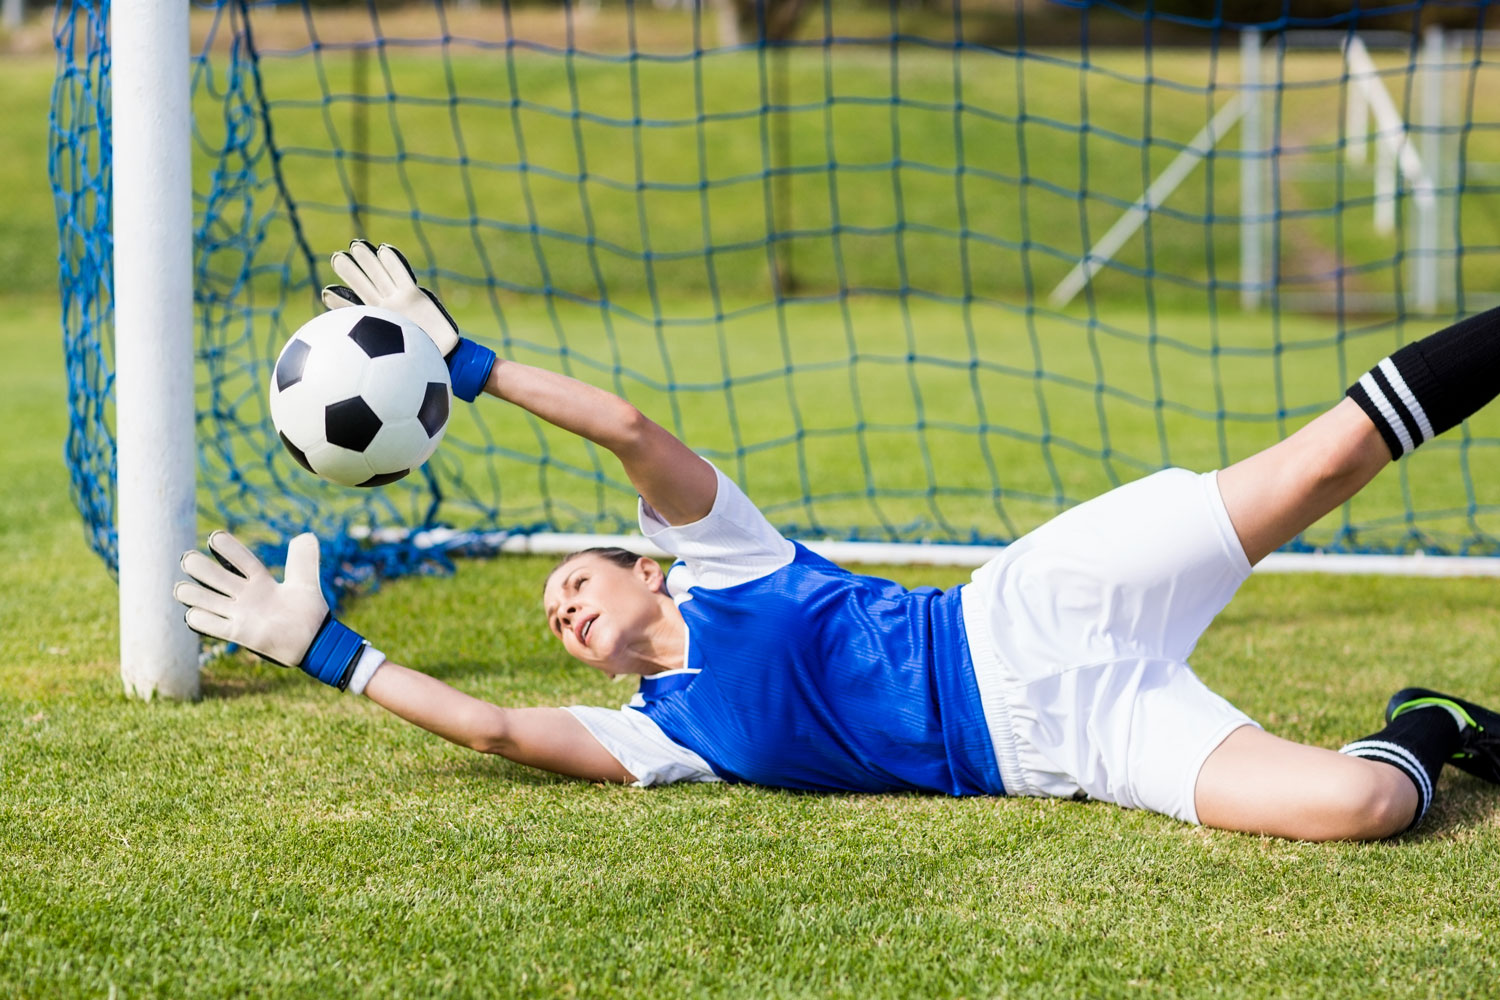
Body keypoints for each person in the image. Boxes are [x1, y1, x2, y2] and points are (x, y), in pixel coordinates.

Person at [174, 240, 1500, 842]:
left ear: (645, 564)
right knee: (1364, 805)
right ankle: (1429, 715)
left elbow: (633, 431)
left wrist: (468, 360)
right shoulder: (665, 734)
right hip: (1069, 747)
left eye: (572, 579)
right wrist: (328, 649)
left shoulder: (731, 558)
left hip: (1027, 611)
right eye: (555, 622)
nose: (559, 609)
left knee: (1329, 456)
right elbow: (498, 732)